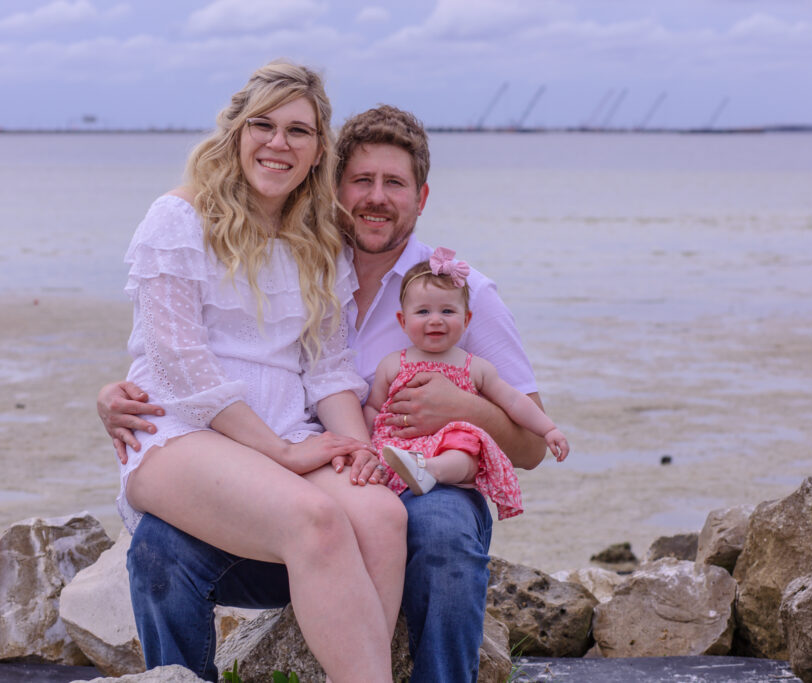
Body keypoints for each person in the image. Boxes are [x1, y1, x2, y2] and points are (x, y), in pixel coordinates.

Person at [99, 104, 568, 682]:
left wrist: (465, 409)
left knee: (440, 524)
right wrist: (123, 393)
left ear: (421, 198)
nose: (376, 197)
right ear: (333, 188)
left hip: (417, 487)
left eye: (394, 183)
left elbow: (531, 448)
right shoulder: (308, 255)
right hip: (310, 476)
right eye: (361, 181)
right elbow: (208, 347)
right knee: (160, 547)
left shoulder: (460, 294)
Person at [116, 62, 406, 682]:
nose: (278, 143)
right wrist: (279, 451)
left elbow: (327, 368)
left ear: (319, 149)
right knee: (317, 520)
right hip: (182, 432)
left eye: (298, 131)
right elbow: (179, 362)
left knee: (383, 517)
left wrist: (356, 448)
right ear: (236, 132)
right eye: (263, 124)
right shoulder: (177, 219)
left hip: (285, 431)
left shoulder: (319, 239)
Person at [369, 249, 569, 520]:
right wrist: (367, 448)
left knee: (465, 449)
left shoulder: (475, 367)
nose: (436, 319)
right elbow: (374, 408)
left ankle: (430, 469)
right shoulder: (392, 365)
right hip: (401, 445)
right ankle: (407, 469)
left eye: (447, 311)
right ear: (403, 322)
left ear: (466, 320)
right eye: (423, 311)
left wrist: (548, 429)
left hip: (451, 448)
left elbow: (513, 401)